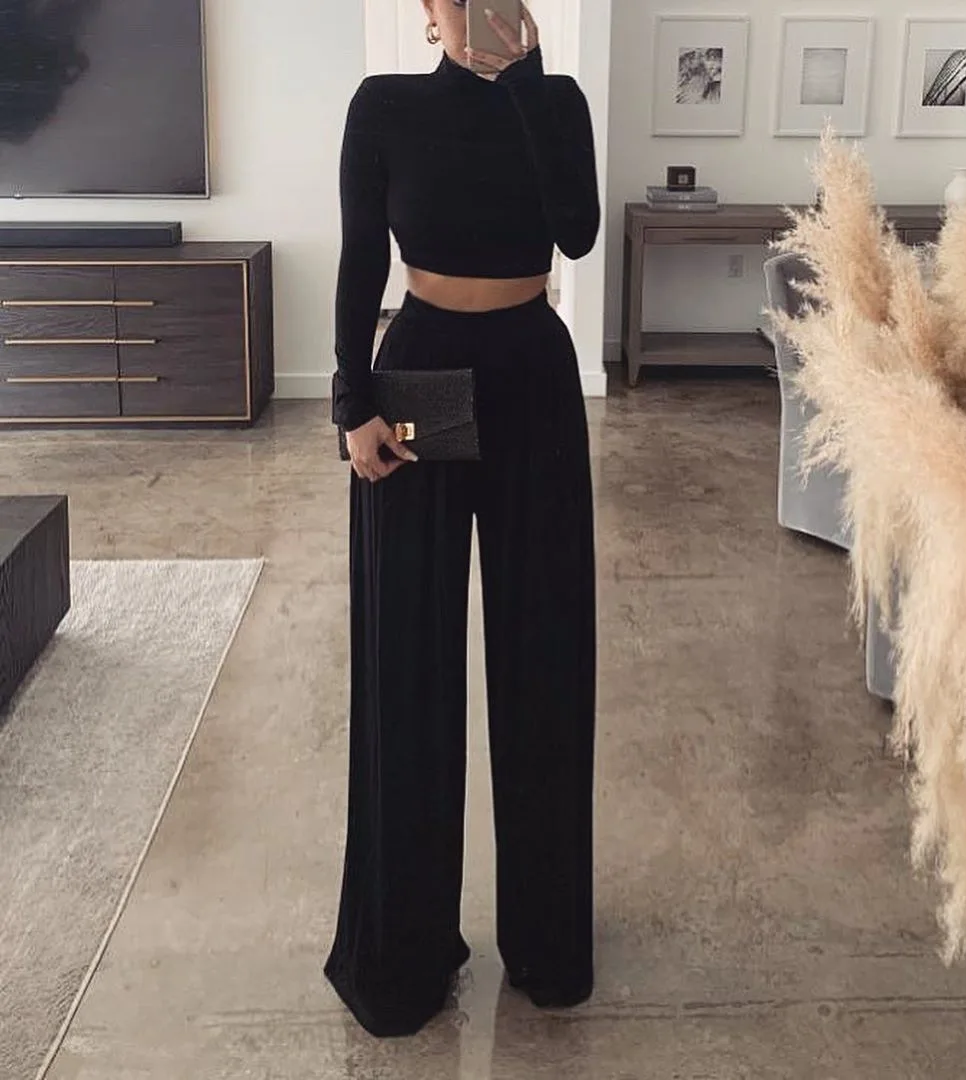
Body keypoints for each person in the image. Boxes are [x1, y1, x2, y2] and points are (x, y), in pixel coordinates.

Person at [324, 0, 601, 1039]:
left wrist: (527, 80)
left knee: (545, 653)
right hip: (421, 377)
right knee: (409, 661)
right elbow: (361, 258)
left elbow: (576, 231)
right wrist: (351, 402)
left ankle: (548, 945)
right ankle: (402, 953)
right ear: (429, 11)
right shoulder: (384, 105)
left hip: (532, 373)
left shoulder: (556, 102)